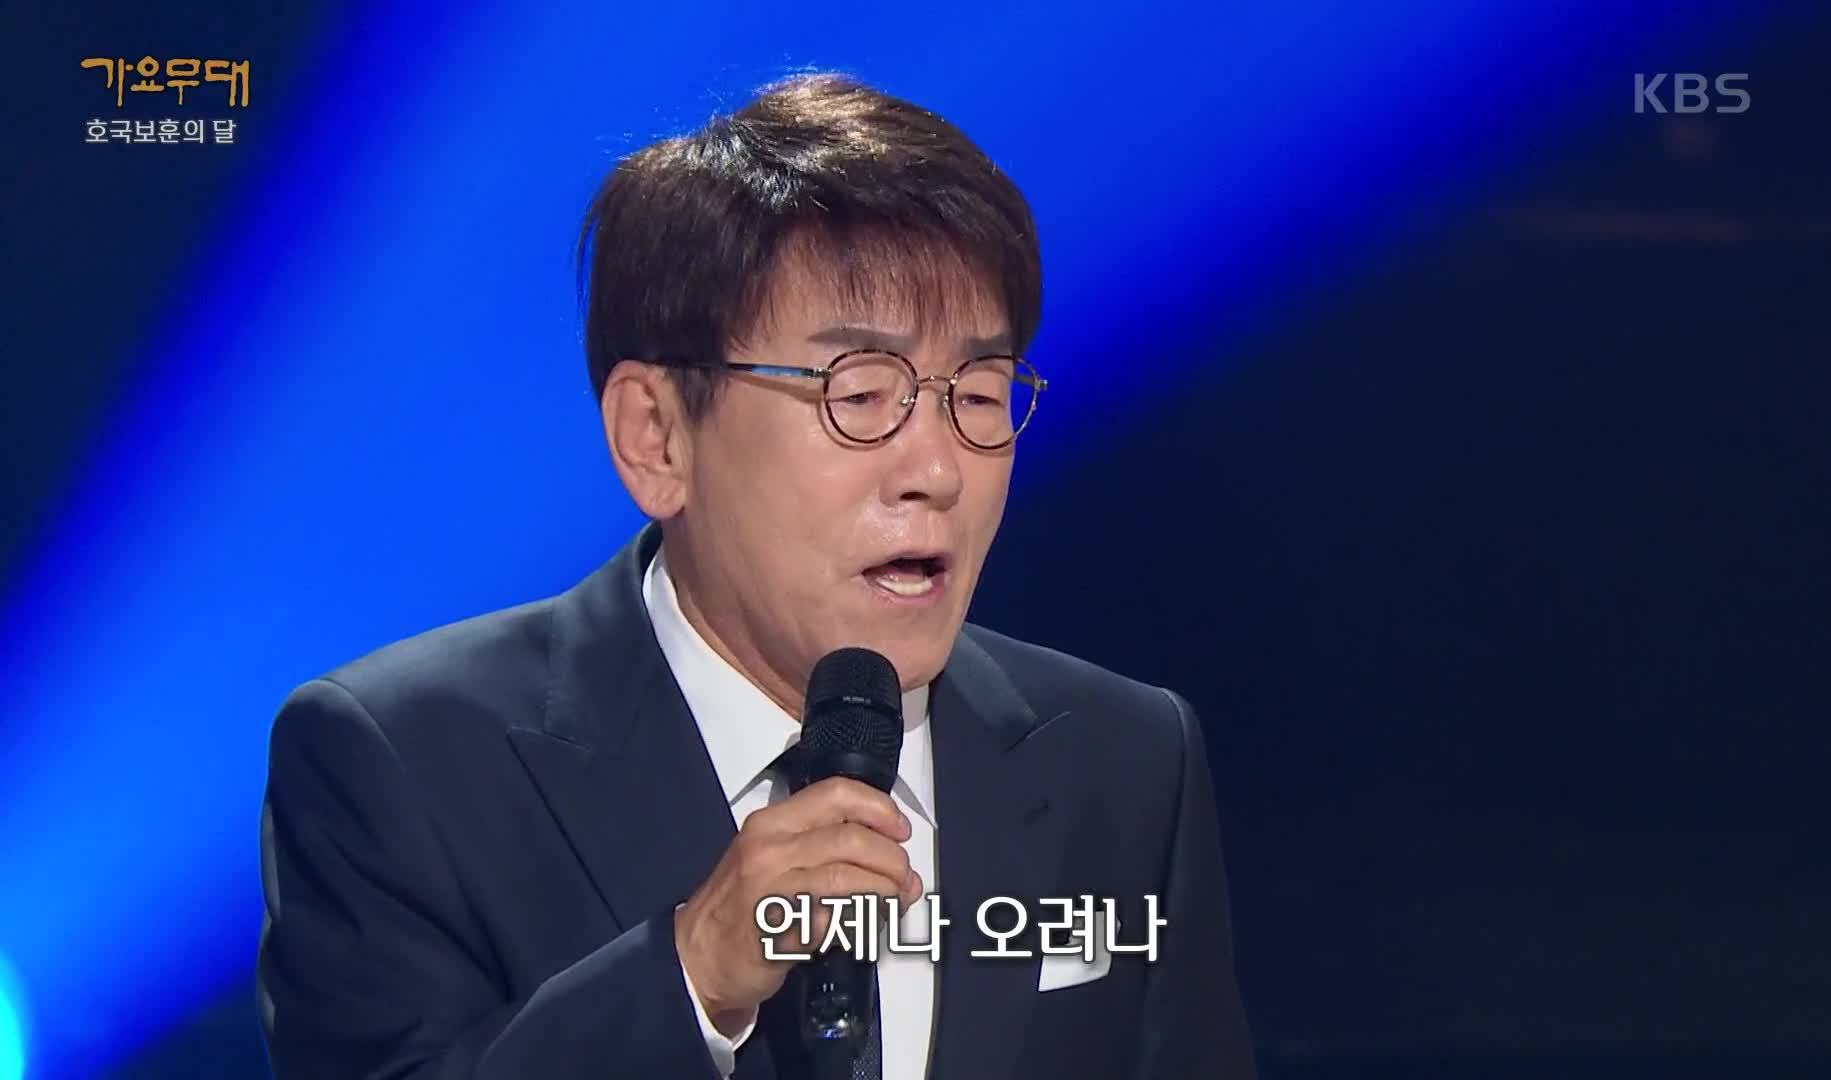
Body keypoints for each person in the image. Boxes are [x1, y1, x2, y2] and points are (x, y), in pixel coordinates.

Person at [255, 72, 1256, 1079]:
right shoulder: (403, 764)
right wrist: (691, 976)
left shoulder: (1124, 760)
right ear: (656, 438)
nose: (939, 469)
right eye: (860, 393)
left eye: (981, 394)